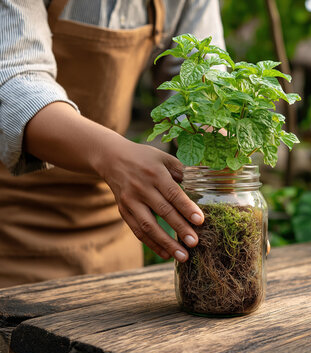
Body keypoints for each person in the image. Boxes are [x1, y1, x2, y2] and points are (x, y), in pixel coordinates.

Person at [0, 0, 225, 287]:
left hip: (117, 234)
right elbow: (14, 80)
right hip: (14, 233)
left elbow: (203, 81)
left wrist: (224, 198)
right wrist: (114, 157)